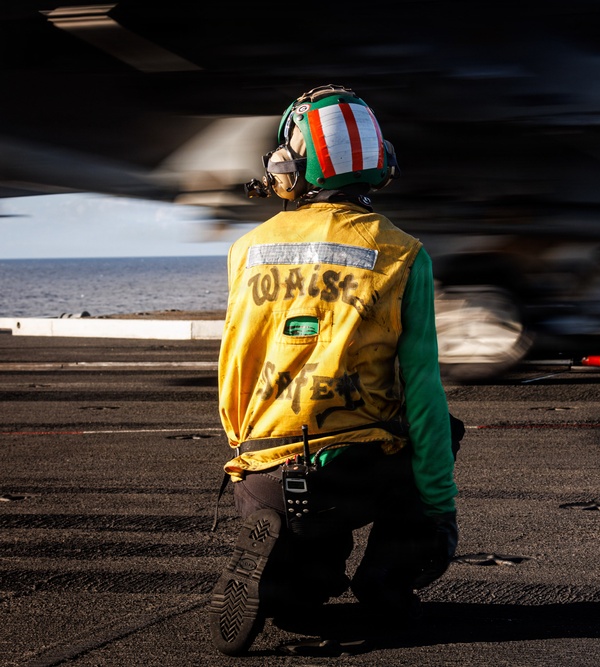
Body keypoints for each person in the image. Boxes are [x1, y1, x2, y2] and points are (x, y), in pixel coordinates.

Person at [208, 84, 459, 656]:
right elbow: (422, 391)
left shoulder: (246, 248)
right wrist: (439, 509)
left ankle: (287, 579)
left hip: (263, 458)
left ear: (286, 169)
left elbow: (237, 359)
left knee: (302, 584)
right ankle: (386, 582)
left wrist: (244, 450)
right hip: (358, 464)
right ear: (381, 164)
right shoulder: (403, 253)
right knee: (443, 430)